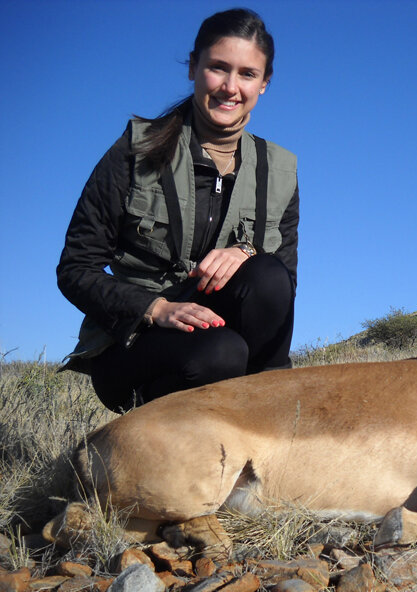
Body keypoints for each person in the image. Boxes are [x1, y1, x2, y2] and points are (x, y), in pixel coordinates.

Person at [57, 8, 298, 413]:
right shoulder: (135, 149)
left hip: (228, 338)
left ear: (264, 84)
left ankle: (277, 420)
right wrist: (156, 308)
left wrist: (248, 251)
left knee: (270, 277)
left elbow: (285, 281)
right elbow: (75, 269)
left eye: (247, 74)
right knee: (220, 354)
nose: (230, 87)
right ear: (193, 67)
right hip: (135, 346)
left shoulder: (280, 170)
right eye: (218, 68)